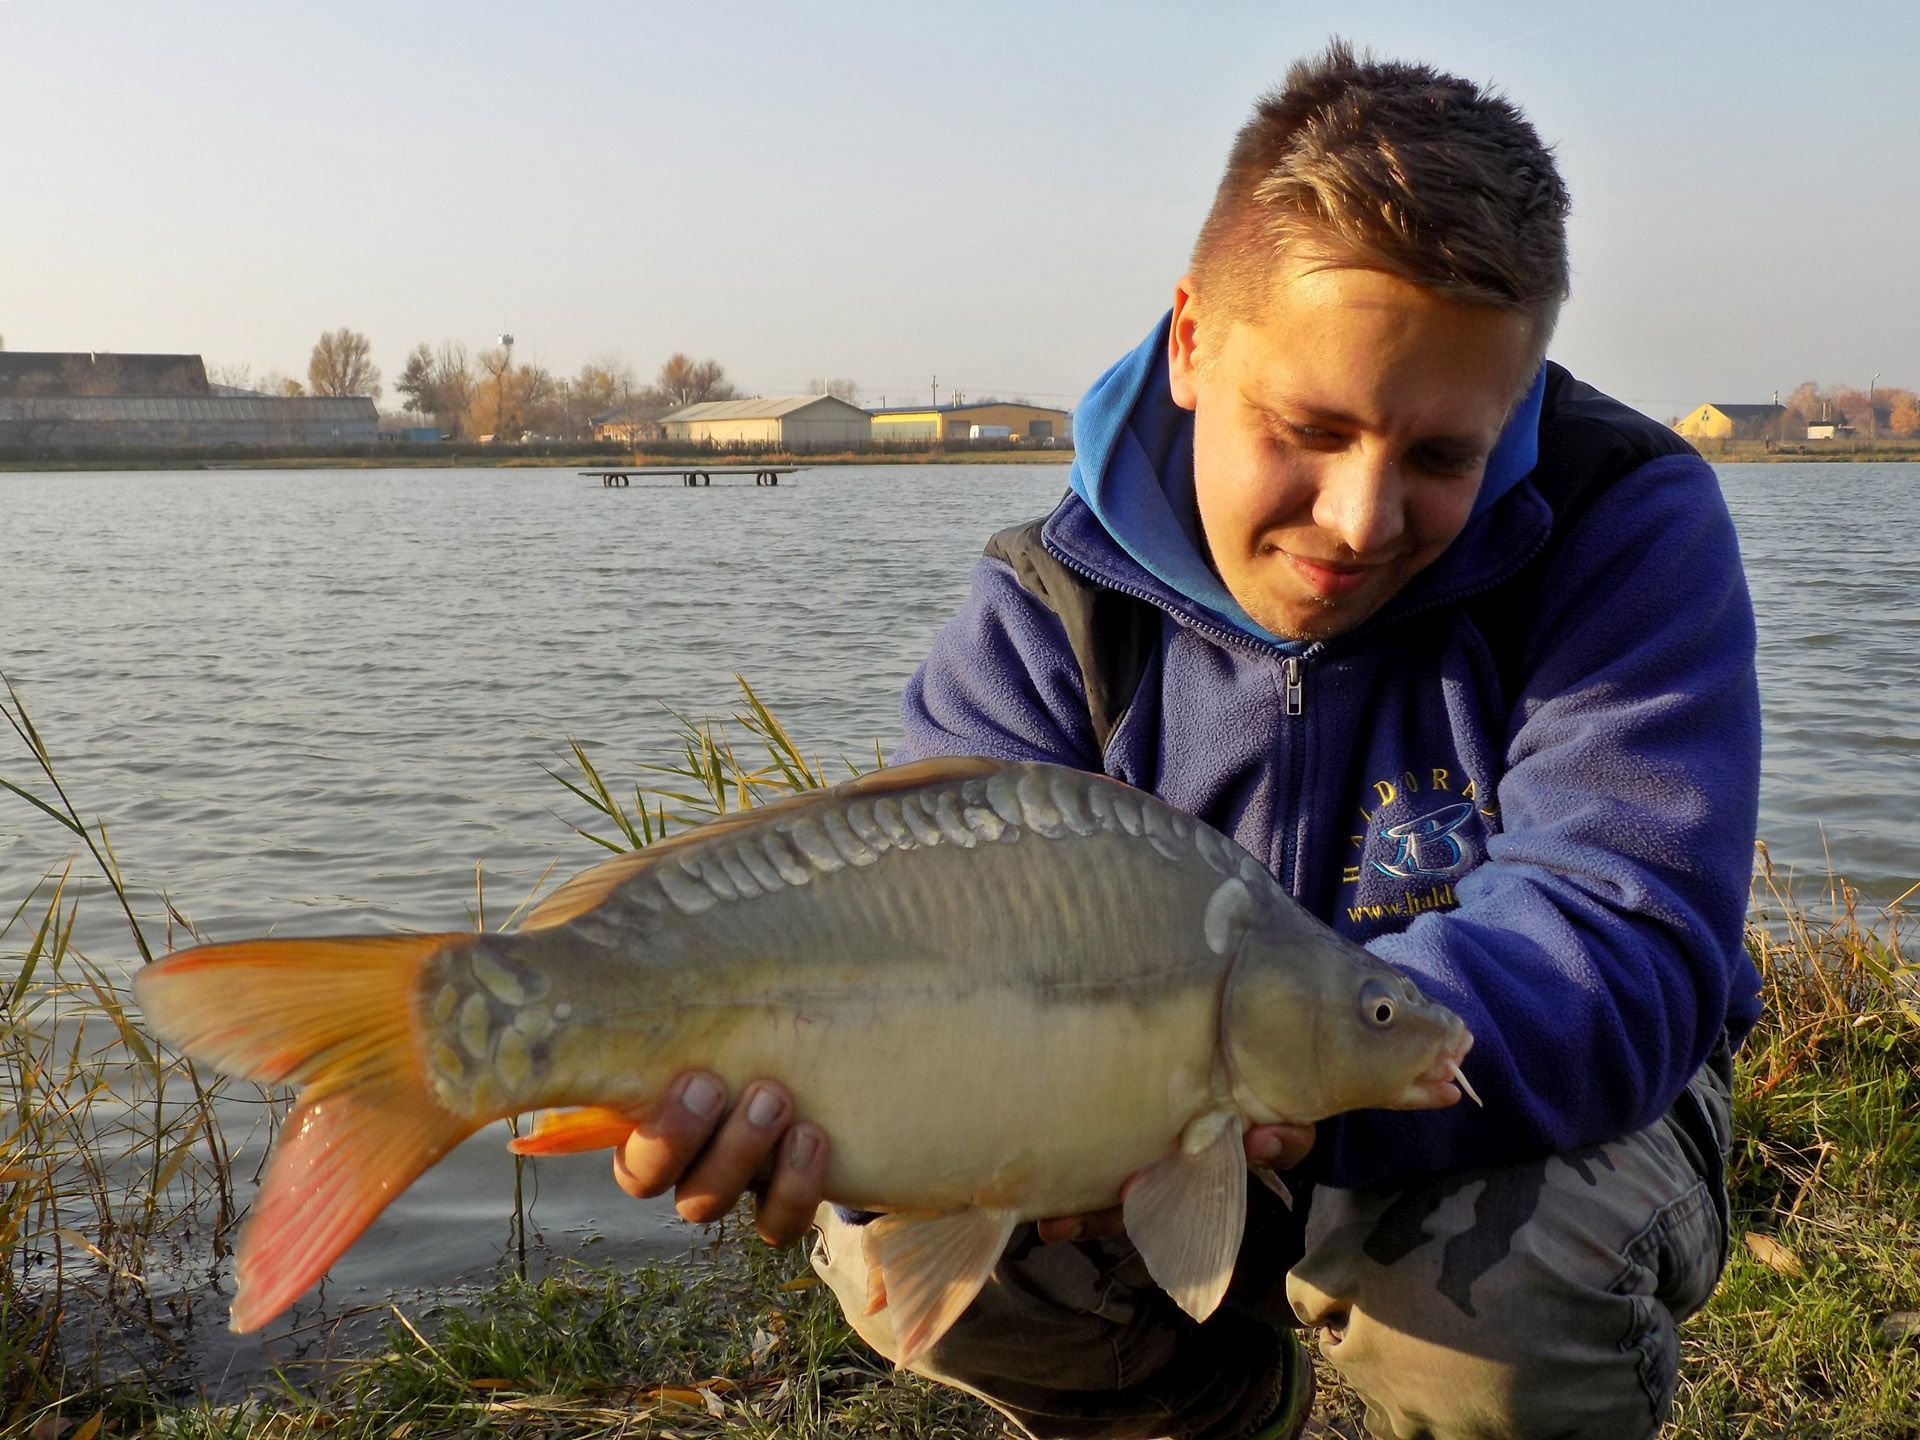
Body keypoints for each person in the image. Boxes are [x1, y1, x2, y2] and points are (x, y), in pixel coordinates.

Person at [611, 41, 1761, 1440]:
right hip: (1157, 1108)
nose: (1358, 517)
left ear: (1514, 403)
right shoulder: (1053, 604)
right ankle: (1209, 1407)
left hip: (1470, 1083)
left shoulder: (1619, 523)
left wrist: (1277, 1065)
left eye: (1443, 455)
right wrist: (851, 1142)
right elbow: (911, 964)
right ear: (1193, 343)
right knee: (909, 1247)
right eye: (1310, 428)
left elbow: (1620, 936)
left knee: (1505, 1291)